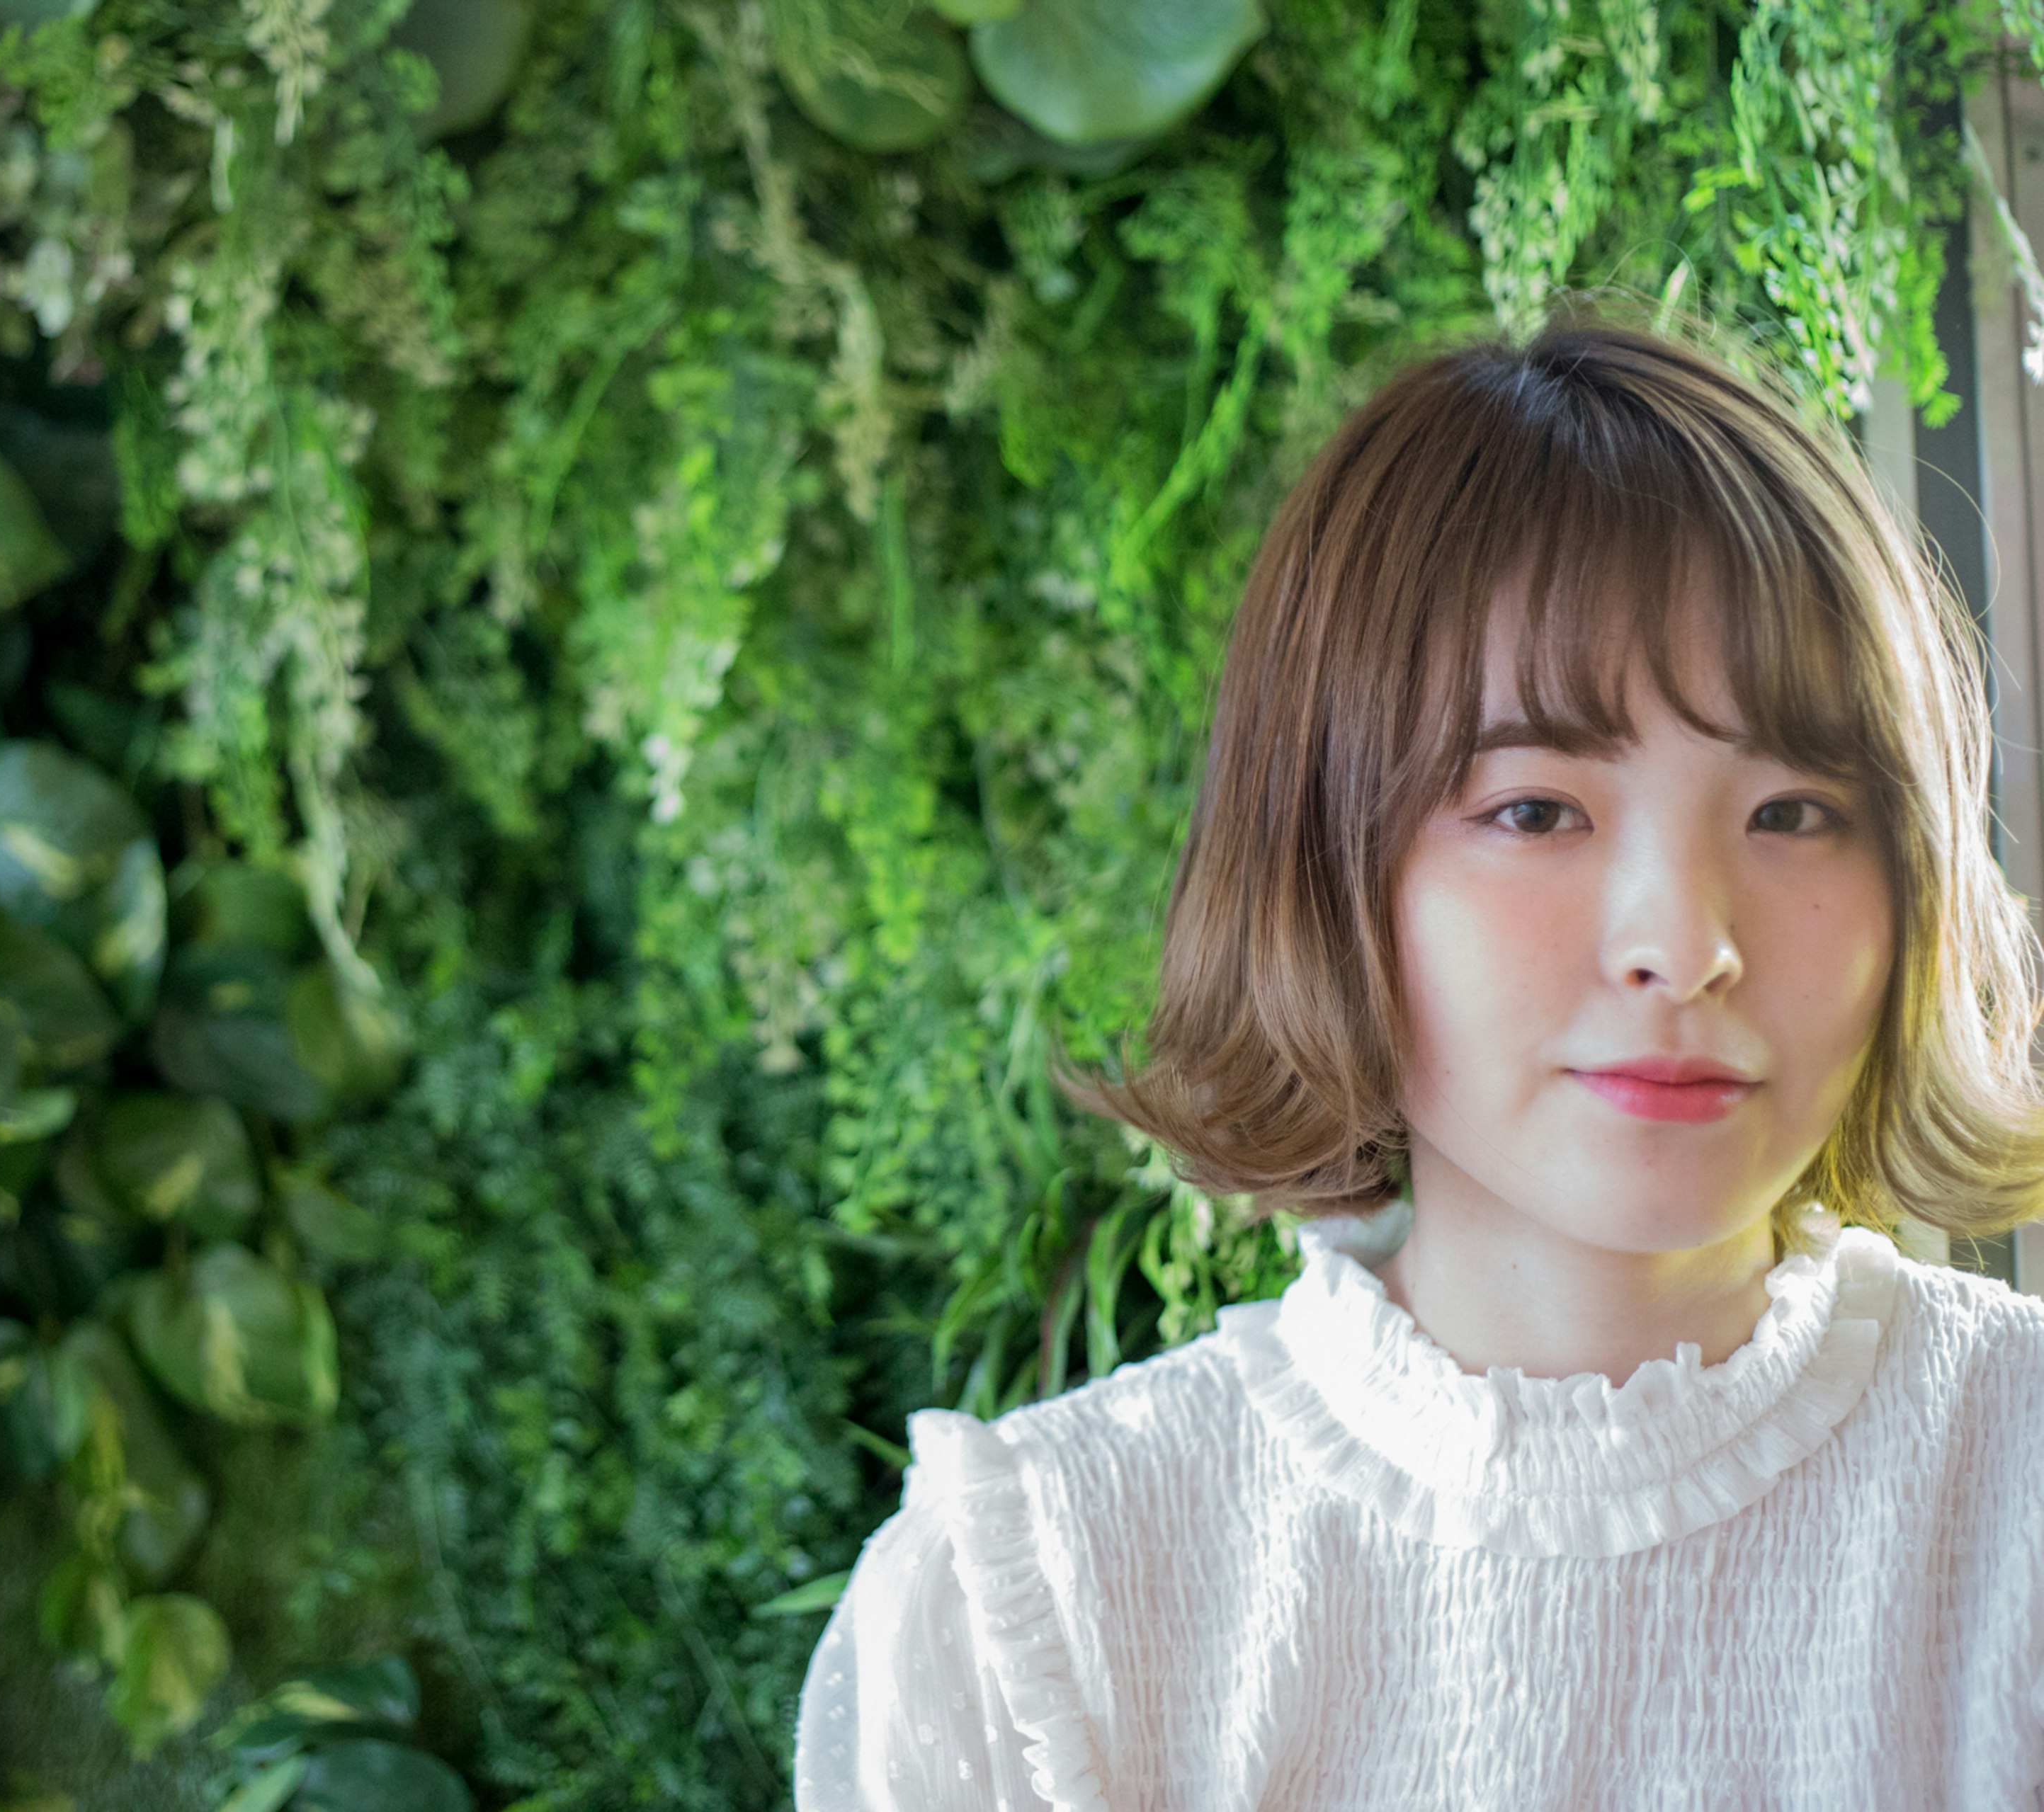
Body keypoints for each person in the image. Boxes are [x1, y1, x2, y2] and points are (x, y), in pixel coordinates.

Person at [790, 313, 2044, 1809]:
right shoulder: (1035, 1606)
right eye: (1535, 810)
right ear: (1325, 865)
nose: (1683, 943)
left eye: (1792, 813)